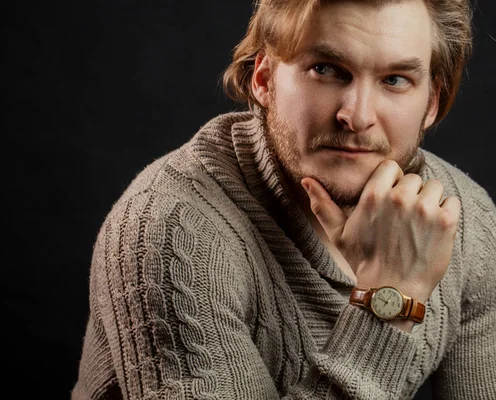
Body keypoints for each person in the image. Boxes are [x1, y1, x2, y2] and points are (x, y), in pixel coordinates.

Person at [72, 0, 495, 398]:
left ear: (432, 102)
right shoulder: (172, 231)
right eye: (327, 70)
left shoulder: (467, 224)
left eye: (395, 80)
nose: (358, 115)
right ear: (264, 78)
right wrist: (389, 301)